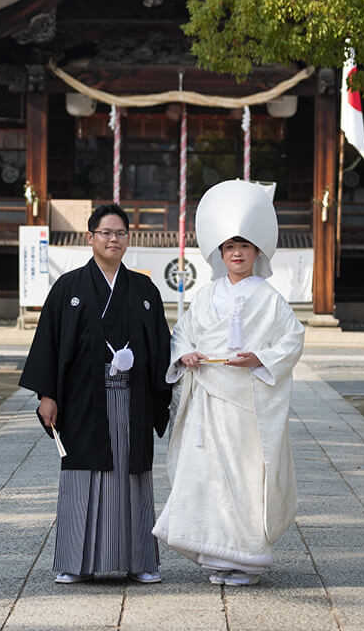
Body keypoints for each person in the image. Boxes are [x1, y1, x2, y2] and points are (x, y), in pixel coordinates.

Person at [153, 180, 305, 587]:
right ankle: (216, 555)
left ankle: (247, 556)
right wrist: (184, 355)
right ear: (220, 254)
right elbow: (183, 334)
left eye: (244, 246)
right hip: (208, 397)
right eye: (229, 247)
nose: (237, 253)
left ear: (257, 252)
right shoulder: (204, 296)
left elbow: (292, 340)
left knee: (244, 473)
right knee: (208, 473)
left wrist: (261, 357)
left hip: (248, 401)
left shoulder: (271, 298)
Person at [19, 203, 172, 585]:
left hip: (131, 397)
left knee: (131, 474)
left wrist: (165, 387)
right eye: (105, 232)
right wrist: (47, 395)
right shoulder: (69, 287)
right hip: (83, 398)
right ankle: (75, 561)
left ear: (127, 239)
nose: (113, 239)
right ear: (91, 238)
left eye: (120, 233)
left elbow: (161, 346)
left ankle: (140, 561)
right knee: (82, 474)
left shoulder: (143, 289)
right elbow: (48, 345)